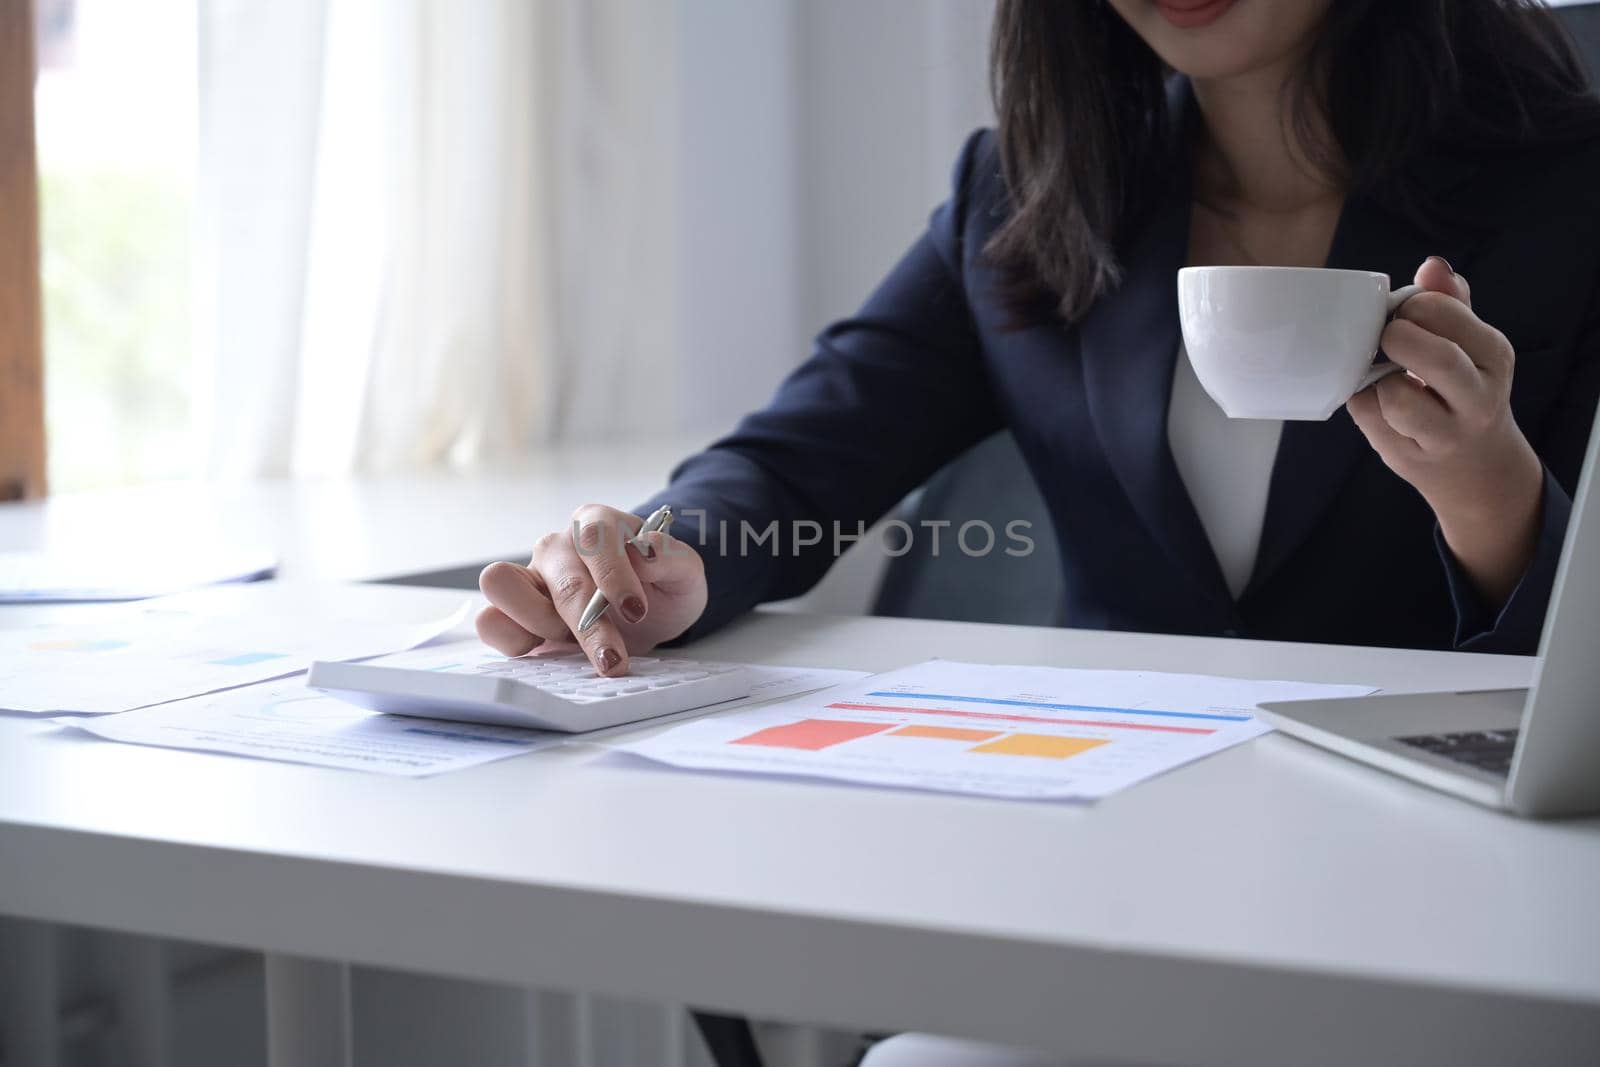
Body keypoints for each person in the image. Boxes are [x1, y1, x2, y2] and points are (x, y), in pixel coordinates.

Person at [479, 0, 1599, 1061]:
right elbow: (795, 458)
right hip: (1110, 875)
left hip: (1459, 895)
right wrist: (667, 560)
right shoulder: (1031, 192)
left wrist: (1489, 496)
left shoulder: (1569, 188)